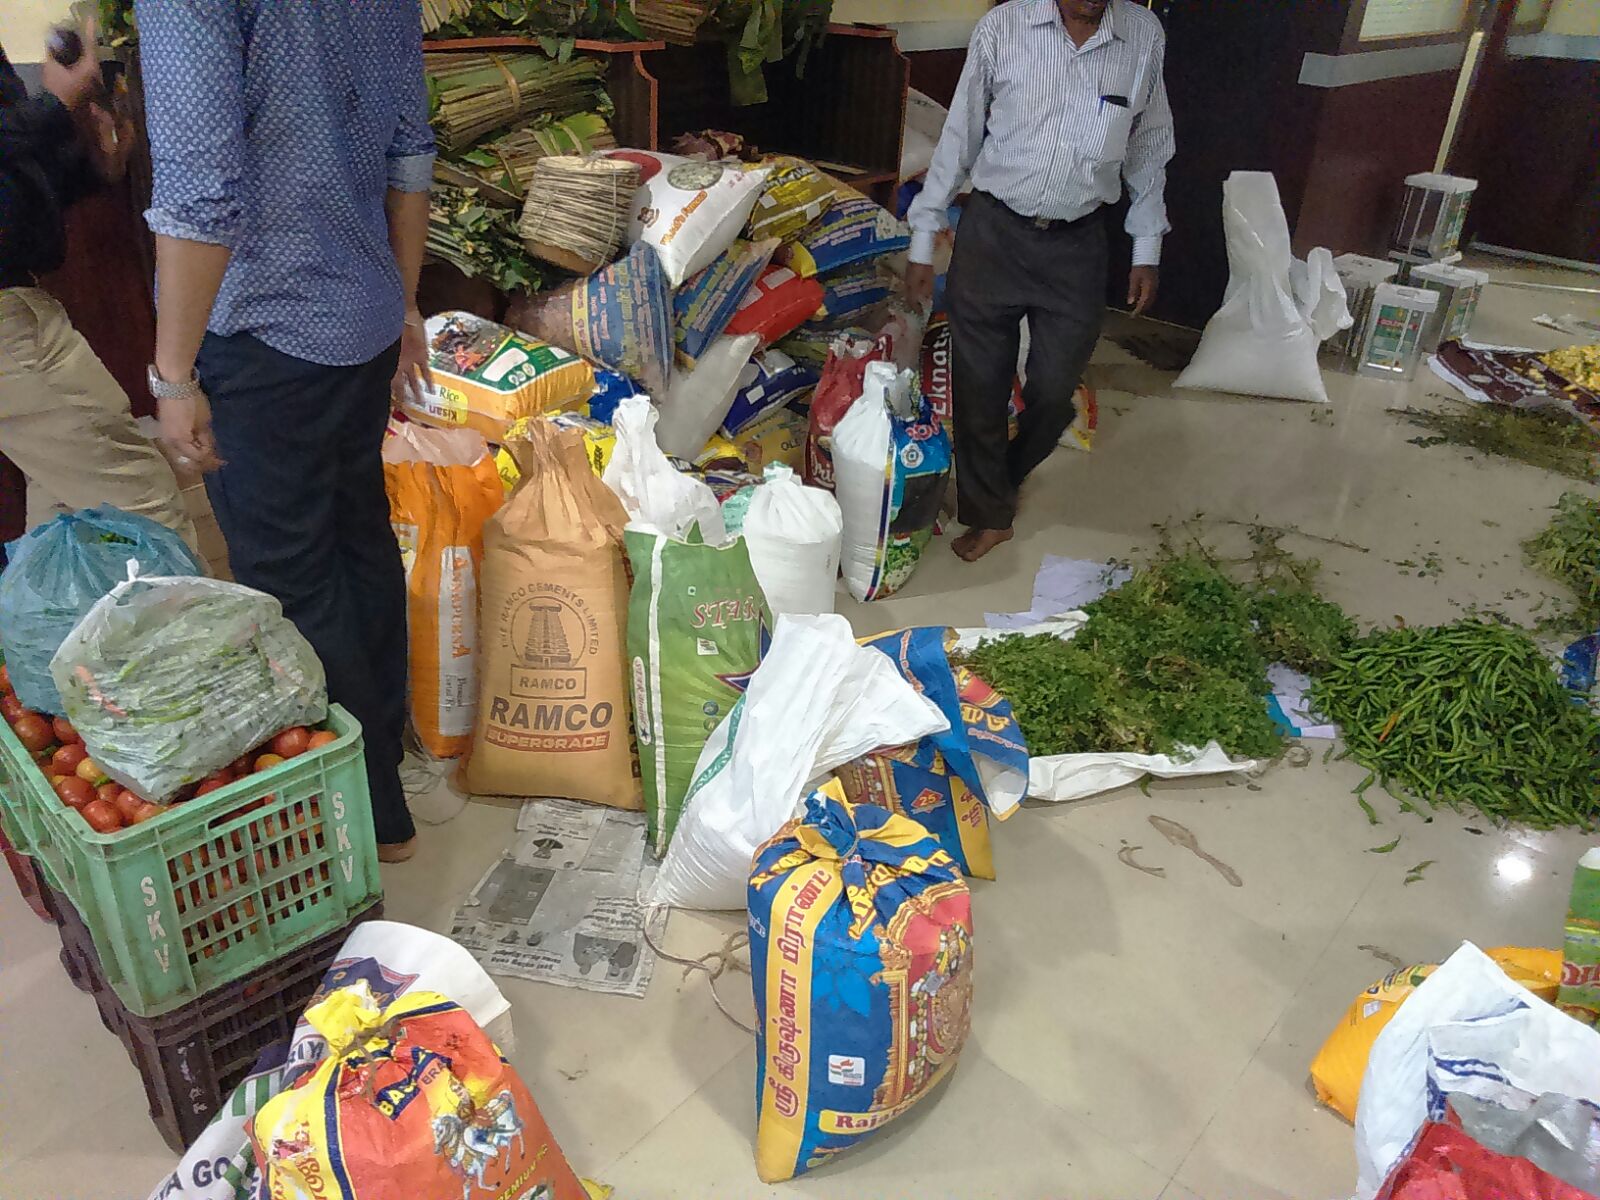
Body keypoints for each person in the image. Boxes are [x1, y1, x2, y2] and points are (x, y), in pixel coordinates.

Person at [136, 1, 436, 861]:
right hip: (363, 320)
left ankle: (369, 813)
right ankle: (387, 771)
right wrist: (406, 298)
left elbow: (200, 194)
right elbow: (409, 149)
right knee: (357, 540)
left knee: (297, 577)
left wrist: (173, 376)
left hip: (264, 333)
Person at [906, 0, 1176, 562]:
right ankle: (990, 514)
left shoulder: (1143, 35)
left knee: (1054, 389)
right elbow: (959, 136)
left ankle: (997, 479)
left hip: (1077, 243)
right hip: (994, 231)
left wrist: (1146, 245)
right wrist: (922, 239)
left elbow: (1149, 147)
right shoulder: (1003, 28)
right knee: (979, 385)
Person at [0, 27, 200, 555]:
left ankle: (62, 635)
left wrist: (92, 167)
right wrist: (53, 105)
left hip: (22, 300)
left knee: (63, 518)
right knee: (142, 502)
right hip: (8, 325)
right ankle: (200, 637)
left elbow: (13, 186)